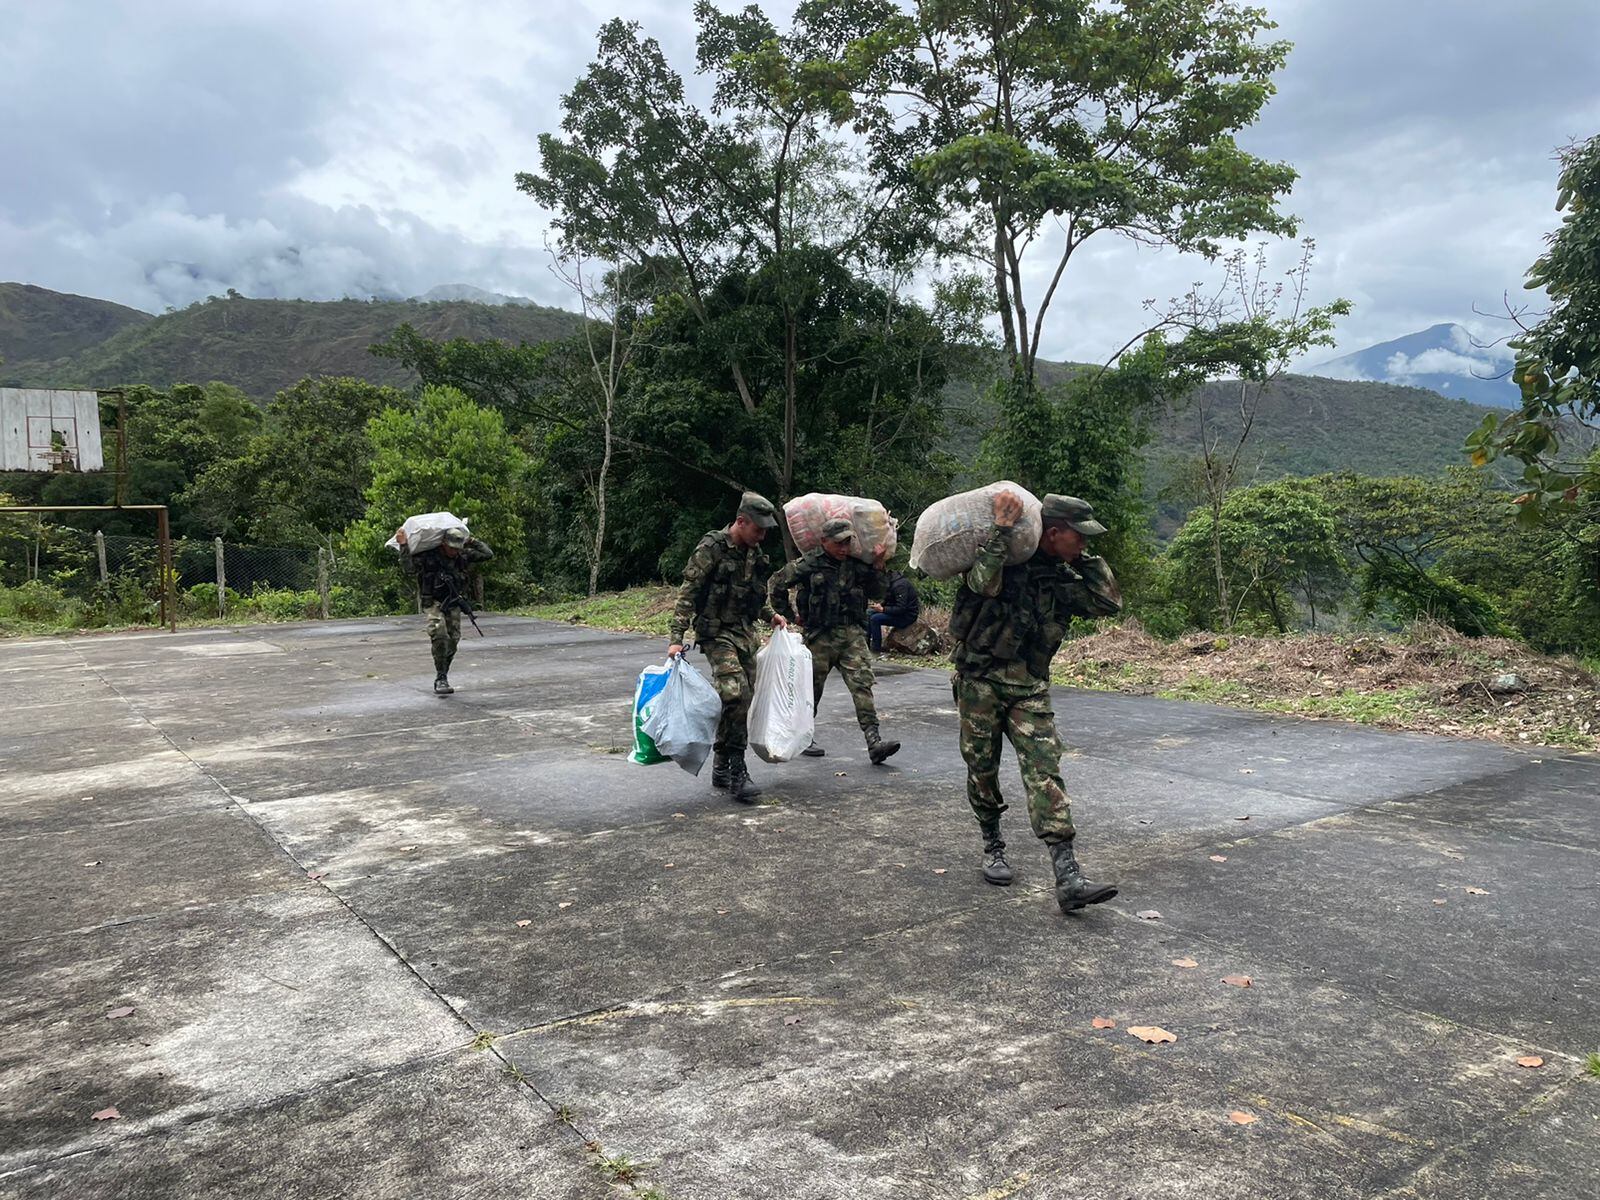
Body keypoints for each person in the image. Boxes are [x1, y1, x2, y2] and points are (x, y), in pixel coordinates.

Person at [949, 491, 1122, 913]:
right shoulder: (1003, 558)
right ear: (1055, 532)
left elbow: (1108, 602)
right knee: (982, 768)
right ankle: (993, 844)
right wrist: (1002, 531)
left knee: (1045, 772)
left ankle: (1068, 877)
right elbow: (979, 584)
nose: (1084, 543)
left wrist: (1081, 561)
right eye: (1078, 538)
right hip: (980, 682)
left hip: (1028, 686)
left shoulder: (1060, 578)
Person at [667, 492, 789, 802]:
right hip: (715, 633)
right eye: (758, 529)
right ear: (740, 521)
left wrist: (771, 615)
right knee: (735, 692)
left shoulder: (754, 552)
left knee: (739, 703)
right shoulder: (711, 548)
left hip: (745, 634)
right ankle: (738, 771)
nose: (762, 535)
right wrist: (675, 638)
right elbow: (688, 593)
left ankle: (721, 764)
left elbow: (755, 596)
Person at [769, 518, 901, 764]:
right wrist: (788, 616)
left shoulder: (855, 565)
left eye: (847, 542)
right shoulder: (810, 563)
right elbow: (776, 584)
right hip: (820, 636)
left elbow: (878, 592)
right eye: (838, 543)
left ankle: (874, 741)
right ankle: (803, 736)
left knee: (862, 684)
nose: (843, 548)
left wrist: (879, 564)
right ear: (824, 542)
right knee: (811, 690)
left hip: (851, 634)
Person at [396, 524, 493, 696]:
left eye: (457, 548)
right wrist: (403, 545)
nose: (454, 552)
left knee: (453, 640)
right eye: (451, 548)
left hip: (453, 601)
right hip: (433, 601)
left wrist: (471, 540)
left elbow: (487, 554)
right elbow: (409, 569)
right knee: (439, 634)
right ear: (443, 544)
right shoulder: (429, 557)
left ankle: (443, 673)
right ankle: (441, 677)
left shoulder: (462, 556)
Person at [869, 569, 921, 654]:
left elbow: (901, 608)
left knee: (875, 619)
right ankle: (866, 643)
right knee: (869, 613)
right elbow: (889, 600)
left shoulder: (900, 586)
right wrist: (879, 606)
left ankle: (876, 648)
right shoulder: (891, 584)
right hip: (898, 613)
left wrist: (883, 609)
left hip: (907, 616)